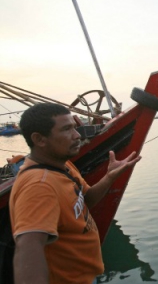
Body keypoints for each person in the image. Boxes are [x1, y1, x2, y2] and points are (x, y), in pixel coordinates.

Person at [9, 103, 141, 284]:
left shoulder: (63, 165)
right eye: (67, 129)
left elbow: (86, 200)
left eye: (75, 127)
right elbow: (28, 248)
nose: (77, 135)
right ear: (39, 139)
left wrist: (109, 177)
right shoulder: (39, 186)